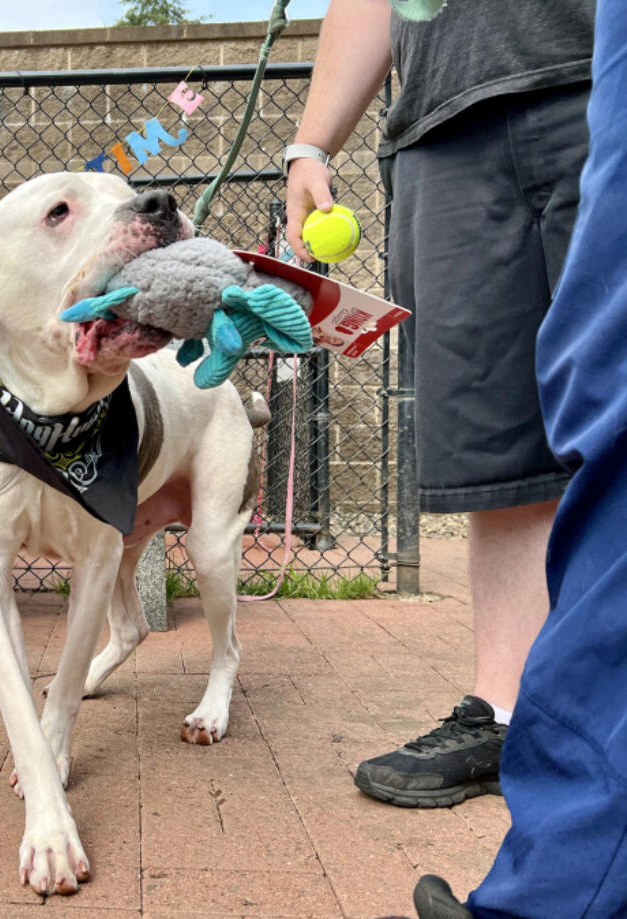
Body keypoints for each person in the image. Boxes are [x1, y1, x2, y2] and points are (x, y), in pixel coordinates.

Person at [284, 0, 593, 809]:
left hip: (599, 84)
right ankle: (505, 712)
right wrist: (310, 144)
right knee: (494, 442)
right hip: (441, 128)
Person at [389, 0, 627, 912]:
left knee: (604, 417)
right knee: (530, 437)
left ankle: (562, 877)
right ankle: (508, 720)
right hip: (452, 112)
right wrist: (308, 142)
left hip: (582, 74)